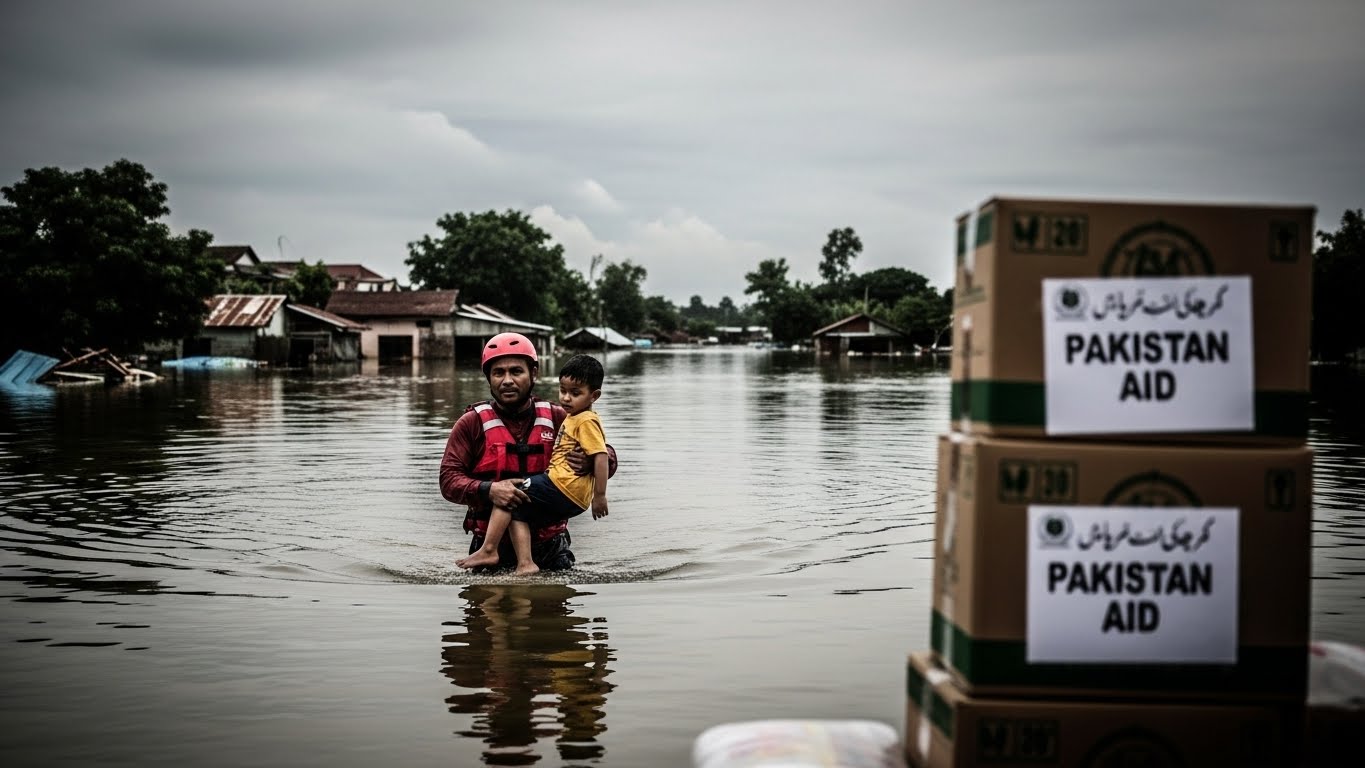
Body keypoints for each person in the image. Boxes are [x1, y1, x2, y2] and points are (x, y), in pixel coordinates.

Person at [440, 333, 616, 572]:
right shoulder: (471, 423)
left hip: (550, 547)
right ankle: (490, 554)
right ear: (488, 378)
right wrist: (489, 489)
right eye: (498, 373)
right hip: (491, 547)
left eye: (516, 371)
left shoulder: (560, 417)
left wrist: (587, 463)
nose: (507, 380)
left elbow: (606, 453)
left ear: (533, 374)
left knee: (552, 609)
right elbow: (449, 481)